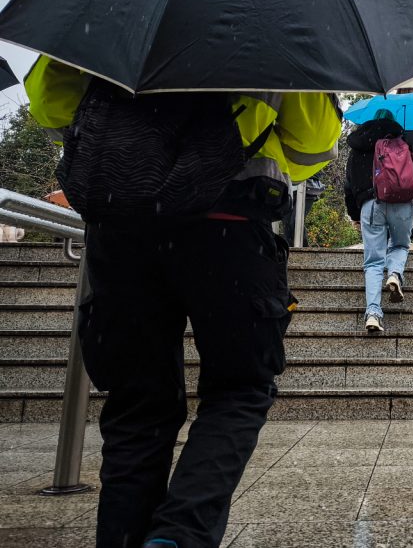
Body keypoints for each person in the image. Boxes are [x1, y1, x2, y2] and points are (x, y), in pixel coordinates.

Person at [25, 56, 342, 548]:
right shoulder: (274, 30)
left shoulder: (118, 1)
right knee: (240, 388)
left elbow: (50, 106)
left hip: (123, 228)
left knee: (137, 408)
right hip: (229, 224)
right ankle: (179, 537)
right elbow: (313, 143)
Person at [344, 109, 413, 332]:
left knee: (373, 262)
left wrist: (355, 214)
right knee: (400, 245)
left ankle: (373, 313)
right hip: (402, 202)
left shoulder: (358, 146)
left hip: (370, 204)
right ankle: (394, 273)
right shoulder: (402, 141)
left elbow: (349, 184)